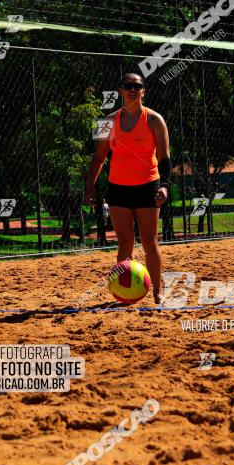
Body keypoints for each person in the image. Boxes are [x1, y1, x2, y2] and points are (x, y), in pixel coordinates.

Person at [84, 72, 171, 303]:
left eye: (137, 86)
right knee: (124, 243)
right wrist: (90, 186)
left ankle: (157, 291)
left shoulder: (154, 120)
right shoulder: (107, 122)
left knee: (150, 241)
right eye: (127, 86)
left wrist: (165, 186)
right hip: (118, 189)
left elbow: (165, 158)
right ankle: (125, 292)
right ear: (121, 91)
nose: (132, 89)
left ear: (143, 91)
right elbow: (98, 157)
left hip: (147, 186)